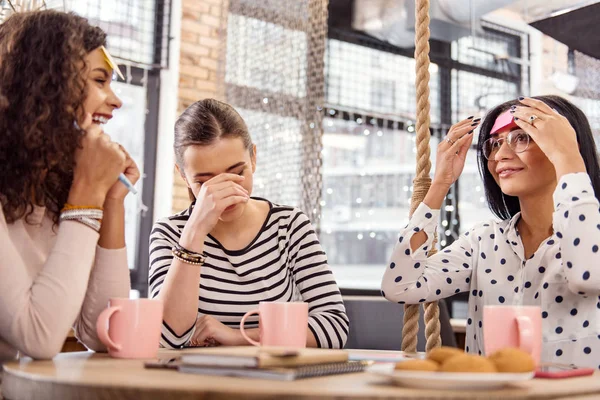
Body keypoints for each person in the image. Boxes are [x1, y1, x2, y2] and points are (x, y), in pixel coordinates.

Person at [382, 95, 600, 368]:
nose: (500, 155)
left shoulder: (593, 234)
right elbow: (399, 286)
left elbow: (588, 277)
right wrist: (440, 183)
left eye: (522, 138)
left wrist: (568, 156)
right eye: (494, 143)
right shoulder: (483, 240)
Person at [149, 99, 348, 349]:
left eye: (237, 173)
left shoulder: (288, 225)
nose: (225, 191)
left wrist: (236, 337)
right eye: (205, 182)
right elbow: (166, 339)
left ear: (253, 158)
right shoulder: (170, 233)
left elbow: (334, 327)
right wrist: (195, 232)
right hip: (195, 383)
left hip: (273, 381)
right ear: (183, 176)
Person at [0, 11, 138, 361]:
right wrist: (88, 191)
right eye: (99, 80)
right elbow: (38, 336)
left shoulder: (50, 190)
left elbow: (105, 332)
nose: (116, 100)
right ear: (45, 87)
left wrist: (110, 201)